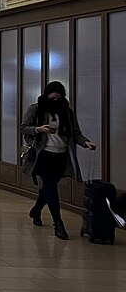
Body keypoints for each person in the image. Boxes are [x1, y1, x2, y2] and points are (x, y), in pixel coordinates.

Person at [21, 80, 95, 240]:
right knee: (51, 187)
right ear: (46, 96)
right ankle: (58, 224)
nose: (55, 101)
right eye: (52, 98)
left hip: (61, 156)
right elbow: (24, 127)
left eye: (58, 98)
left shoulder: (66, 112)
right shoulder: (36, 109)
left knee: (48, 188)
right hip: (43, 155)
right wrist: (39, 129)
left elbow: (75, 132)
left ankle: (37, 210)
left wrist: (85, 142)